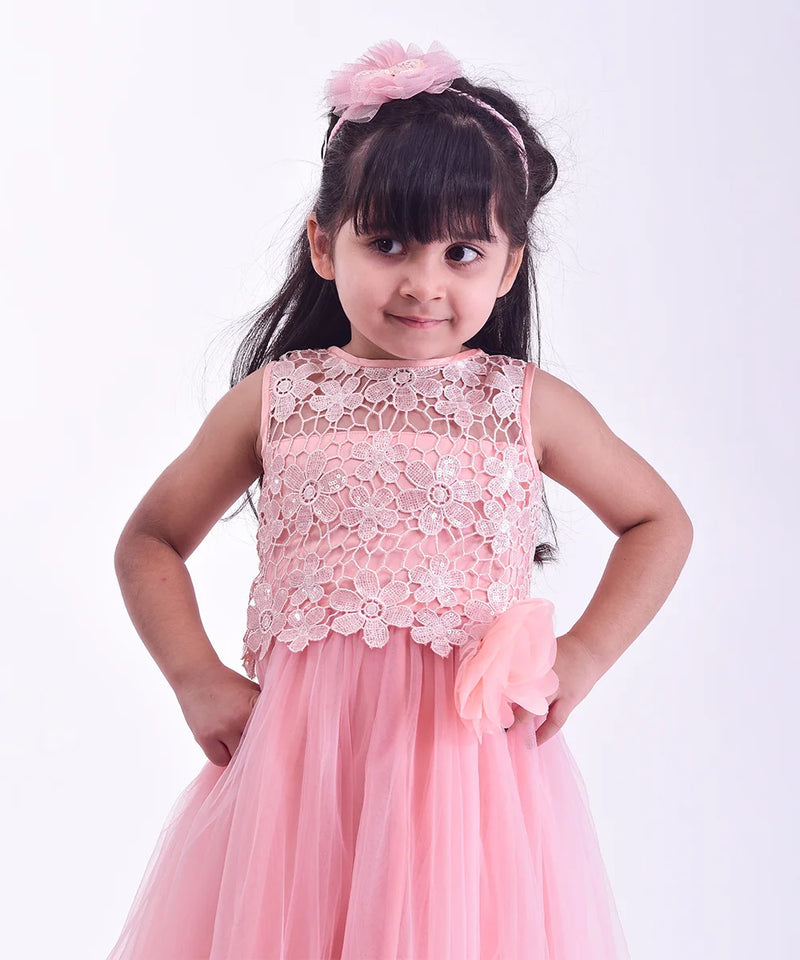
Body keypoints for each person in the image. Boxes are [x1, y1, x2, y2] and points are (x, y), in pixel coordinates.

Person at [105, 39, 692, 960]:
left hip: (462, 782)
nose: (424, 283)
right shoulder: (278, 400)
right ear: (323, 243)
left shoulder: (522, 405)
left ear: (506, 268)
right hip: (300, 777)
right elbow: (150, 539)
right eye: (388, 244)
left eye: (462, 251)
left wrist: (579, 658)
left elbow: (658, 521)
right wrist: (196, 678)